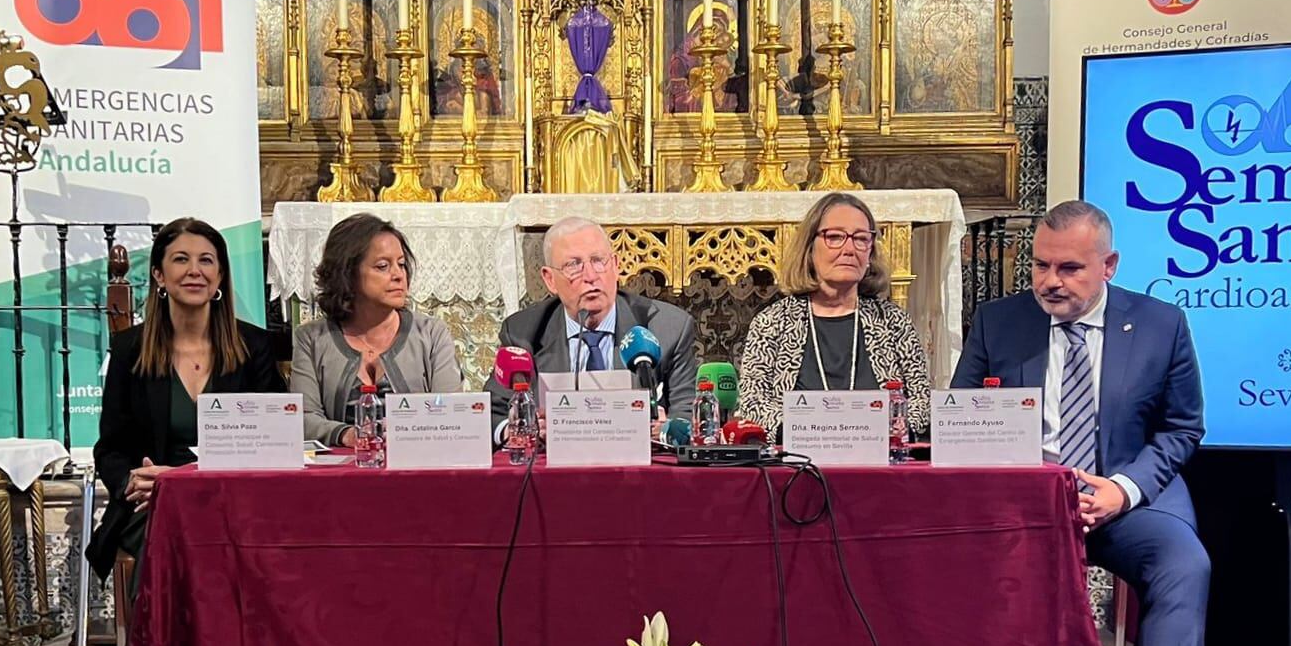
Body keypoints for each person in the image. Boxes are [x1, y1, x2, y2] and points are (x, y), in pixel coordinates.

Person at [952, 199, 1232, 646]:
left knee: (1186, 565)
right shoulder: (999, 322)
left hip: (1126, 497)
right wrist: (1029, 484)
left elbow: (1183, 430)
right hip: (1025, 502)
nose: (1050, 282)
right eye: (1041, 266)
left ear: (1109, 265)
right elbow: (962, 419)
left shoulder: (1162, 324)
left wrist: (1121, 489)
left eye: (1070, 269)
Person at [81, 216, 283, 646]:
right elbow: (111, 447)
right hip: (151, 506)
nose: (195, 270)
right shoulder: (129, 351)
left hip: (238, 504)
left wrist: (192, 477)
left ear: (220, 279)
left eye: (206, 261)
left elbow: (275, 438)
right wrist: (137, 482)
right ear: (158, 276)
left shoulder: (254, 348)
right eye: (181, 259)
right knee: (168, 532)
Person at [736, 192, 931, 439]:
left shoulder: (894, 322)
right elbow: (753, 406)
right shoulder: (772, 322)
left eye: (861, 238)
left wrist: (890, 431)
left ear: (870, 254)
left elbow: (921, 404)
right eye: (835, 237)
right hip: (798, 464)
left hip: (880, 463)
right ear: (809, 249)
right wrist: (819, 434)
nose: (849, 249)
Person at [486, 215, 699, 426]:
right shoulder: (523, 334)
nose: (590, 276)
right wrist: (522, 428)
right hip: (555, 457)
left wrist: (666, 429)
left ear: (615, 266)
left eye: (598, 261)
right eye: (573, 265)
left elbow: (687, 412)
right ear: (550, 279)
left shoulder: (667, 329)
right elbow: (492, 414)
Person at [289, 213, 465, 446]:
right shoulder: (311, 338)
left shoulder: (432, 334)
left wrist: (407, 430)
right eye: (383, 266)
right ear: (347, 273)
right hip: (341, 476)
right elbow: (301, 418)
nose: (398, 275)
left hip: (416, 470)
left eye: (401, 264)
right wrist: (347, 435)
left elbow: (451, 411)